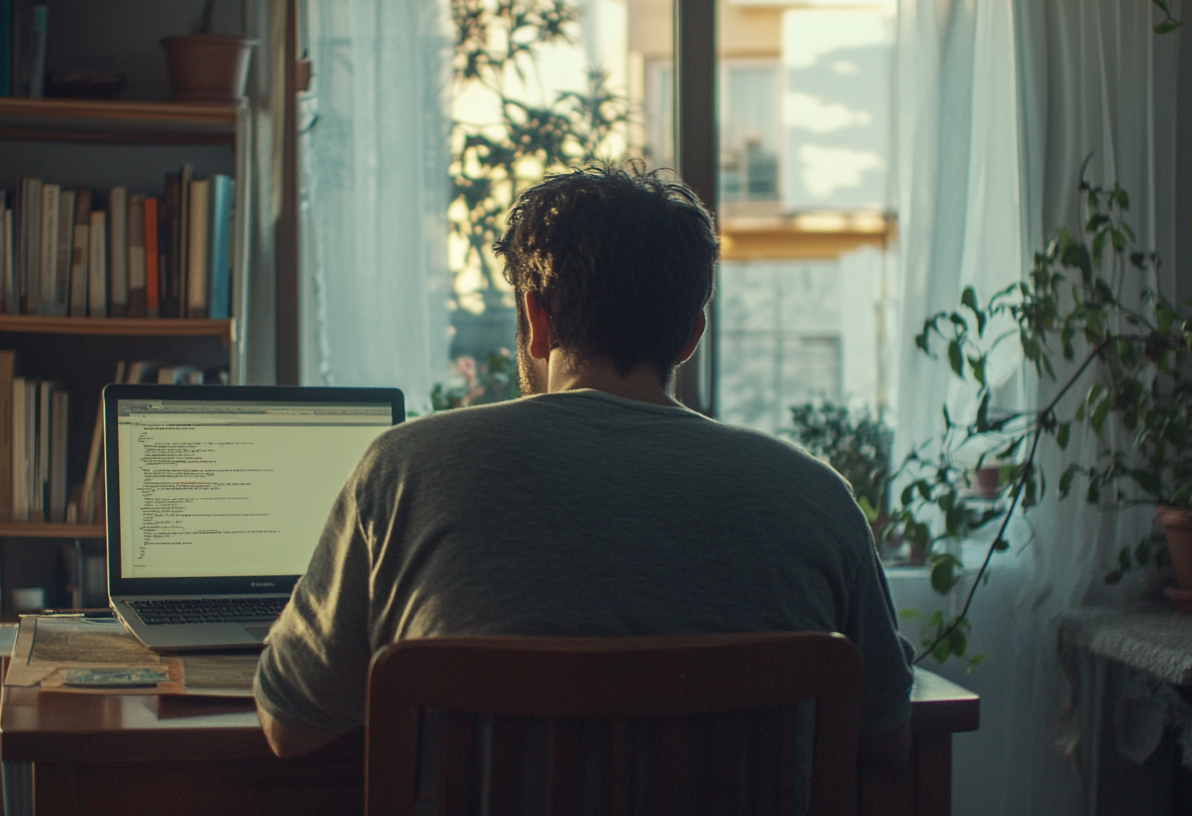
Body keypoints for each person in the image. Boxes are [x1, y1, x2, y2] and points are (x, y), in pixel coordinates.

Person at [254, 163, 915, 767]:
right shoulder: (818, 497)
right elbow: (887, 739)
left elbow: (294, 727)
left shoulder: (404, 471)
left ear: (536, 320)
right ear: (689, 335)